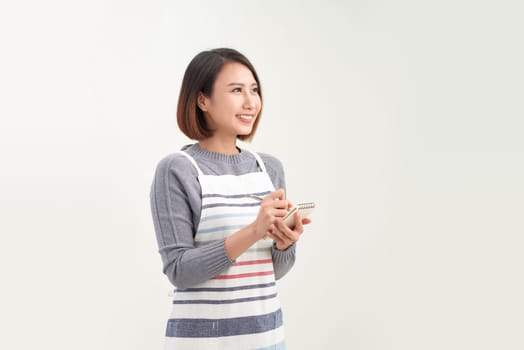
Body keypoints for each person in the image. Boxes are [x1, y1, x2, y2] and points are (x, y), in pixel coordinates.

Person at [150, 48, 311, 349]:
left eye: (254, 90)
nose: (251, 102)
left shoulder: (268, 168)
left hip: (267, 339)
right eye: (236, 90)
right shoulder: (178, 169)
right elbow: (179, 270)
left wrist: (285, 243)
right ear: (203, 100)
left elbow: (273, 271)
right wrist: (253, 231)